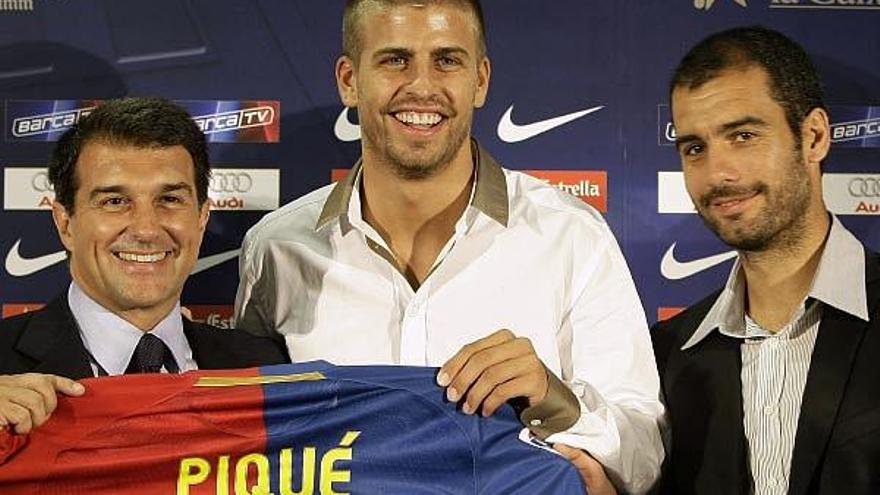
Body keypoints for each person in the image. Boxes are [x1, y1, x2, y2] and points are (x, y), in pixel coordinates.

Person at [234, 1, 664, 492]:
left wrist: (550, 398)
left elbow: (643, 453)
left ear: (479, 80)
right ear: (349, 79)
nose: (421, 85)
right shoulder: (276, 249)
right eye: (395, 59)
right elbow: (247, 443)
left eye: (447, 60)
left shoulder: (571, 235)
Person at [653, 26, 880, 494]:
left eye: (744, 135)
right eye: (695, 147)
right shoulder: (665, 358)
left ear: (814, 136)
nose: (717, 173)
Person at [0, 97, 289, 435]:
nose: (147, 230)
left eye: (169, 200)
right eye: (115, 202)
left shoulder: (267, 371)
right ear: (66, 224)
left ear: (201, 217)